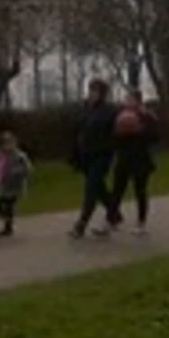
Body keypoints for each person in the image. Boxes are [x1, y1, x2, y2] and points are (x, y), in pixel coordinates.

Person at [69, 78, 123, 240]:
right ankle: (114, 213)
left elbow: (116, 133)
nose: (91, 94)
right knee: (99, 188)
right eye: (90, 90)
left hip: (102, 155)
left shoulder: (109, 111)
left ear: (102, 94)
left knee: (91, 188)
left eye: (95, 91)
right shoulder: (85, 109)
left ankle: (81, 225)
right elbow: (78, 130)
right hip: (86, 156)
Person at [111, 88, 159, 236]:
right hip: (124, 158)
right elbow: (115, 138)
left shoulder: (147, 117)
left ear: (138, 101)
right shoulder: (121, 117)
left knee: (140, 191)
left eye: (130, 99)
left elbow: (155, 136)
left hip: (141, 158)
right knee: (117, 190)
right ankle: (110, 220)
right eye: (126, 99)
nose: (127, 102)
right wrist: (119, 134)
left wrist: (140, 131)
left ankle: (141, 223)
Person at [0, 131, 33, 238]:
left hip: (14, 185)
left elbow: (28, 168)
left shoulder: (19, 156)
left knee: (8, 205)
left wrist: (16, 172)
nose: (7, 146)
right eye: (4, 143)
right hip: (2, 185)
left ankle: (8, 227)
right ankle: (8, 220)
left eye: (10, 143)